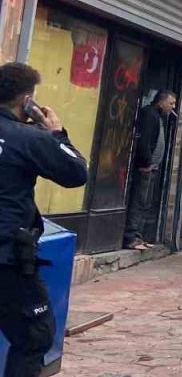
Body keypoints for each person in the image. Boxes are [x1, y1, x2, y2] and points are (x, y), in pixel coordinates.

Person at [0, 62, 87, 377]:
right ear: (27, 102)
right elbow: (76, 173)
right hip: (6, 258)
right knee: (35, 335)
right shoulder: (27, 138)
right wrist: (56, 133)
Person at [123, 90, 176, 250]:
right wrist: (145, 162)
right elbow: (144, 141)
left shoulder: (158, 117)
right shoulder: (149, 114)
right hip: (145, 167)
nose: (172, 107)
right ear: (161, 102)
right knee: (139, 201)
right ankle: (131, 236)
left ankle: (139, 235)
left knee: (145, 202)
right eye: (171, 103)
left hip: (152, 167)